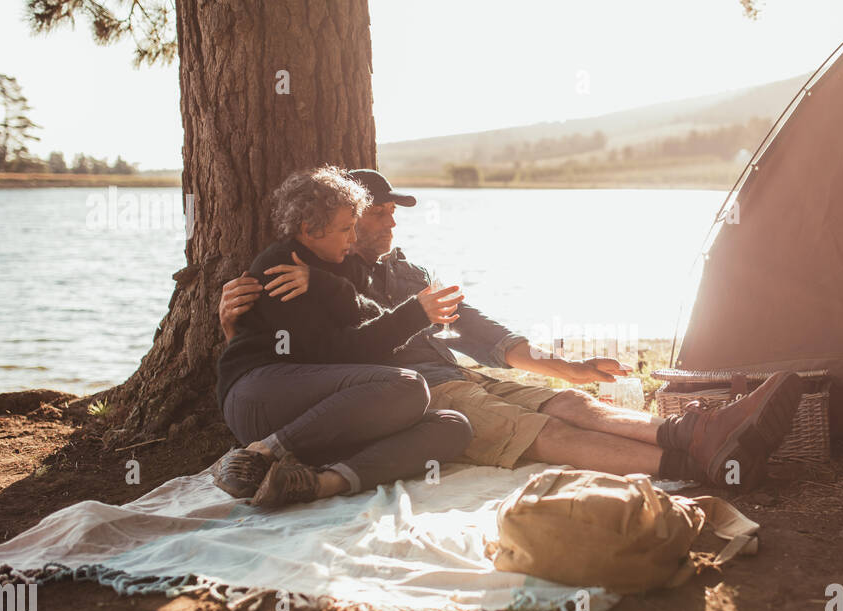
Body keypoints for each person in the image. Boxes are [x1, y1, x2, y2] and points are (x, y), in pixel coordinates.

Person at [219, 169, 805, 489]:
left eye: (390, 211)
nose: (389, 220)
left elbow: (482, 332)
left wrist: (570, 366)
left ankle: (691, 432)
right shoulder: (325, 271)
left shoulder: (408, 271)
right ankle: (694, 464)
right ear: (338, 220)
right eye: (376, 212)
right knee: (528, 428)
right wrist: (236, 324)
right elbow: (321, 348)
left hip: (452, 373)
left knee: (564, 399)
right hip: (420, 391)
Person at [213, 165, 473, 508]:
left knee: (453, 426)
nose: (353, 239)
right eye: (346, 229)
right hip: (260, 395)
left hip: (325, 414)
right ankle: (259, 453)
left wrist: (326, 284)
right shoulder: (280, 268)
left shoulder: (341, 267)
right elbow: (336, 352)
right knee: (409, 387)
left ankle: (317, 483)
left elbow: (367, 315)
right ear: (309, 230)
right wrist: (415, 314)